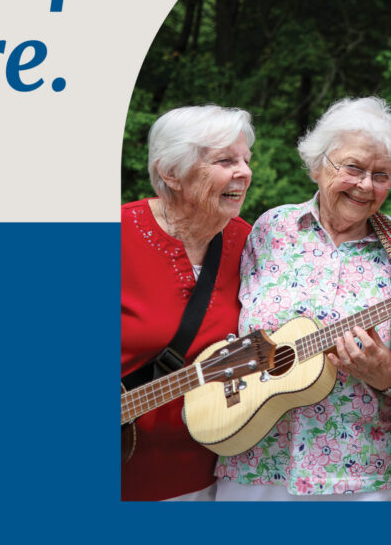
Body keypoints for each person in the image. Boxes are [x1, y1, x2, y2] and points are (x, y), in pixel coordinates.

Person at [215, 97, 391, 500]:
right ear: (317, 166)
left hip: (365, 473)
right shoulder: (269, 229)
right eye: (354, 168)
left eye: (381, 175)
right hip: (255, 461)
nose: (366, 185)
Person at [121, 105, 255, 501]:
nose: (244, 172)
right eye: (226, 161)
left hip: (213, 479)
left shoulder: (251, 243)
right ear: (171, 173)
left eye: (246, 160)